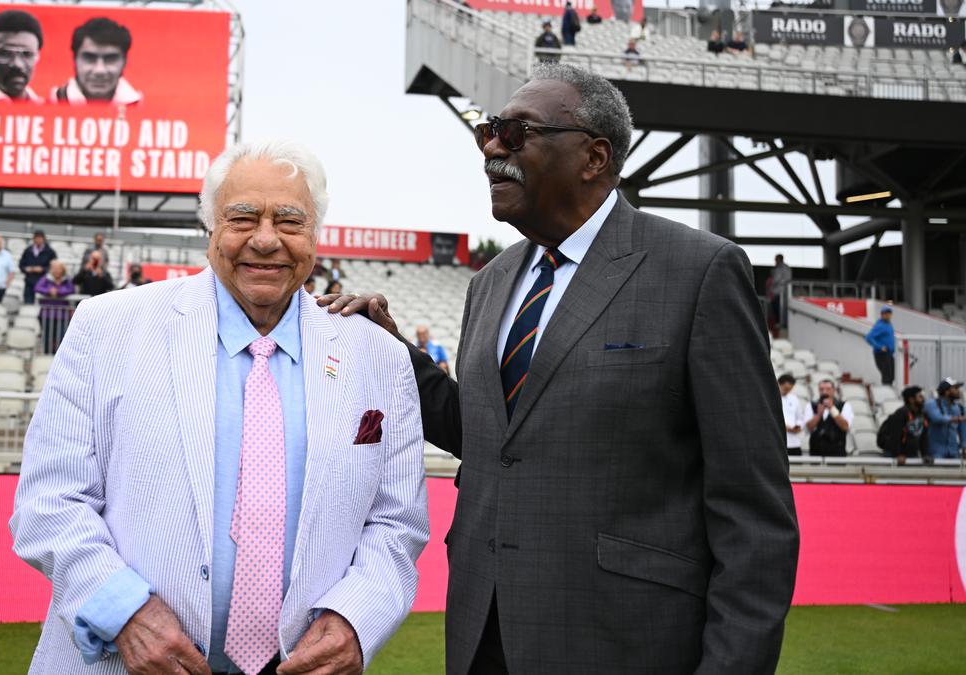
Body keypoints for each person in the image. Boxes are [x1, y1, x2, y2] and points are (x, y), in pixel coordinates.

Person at [323, 64, 798, 673]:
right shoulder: (491, 284)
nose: (493, 146)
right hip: (482, 632)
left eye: (517, 133)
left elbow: (754, 516)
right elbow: (493, 439)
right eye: (489, 132)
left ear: (594, 157)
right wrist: (394, 352)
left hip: (624, 642)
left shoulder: (699, 272)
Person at [11, 140, 429, 675]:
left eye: (289, 221)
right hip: (124, 662)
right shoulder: (108, 327)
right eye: (243, 217)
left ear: (315, 235)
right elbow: (49, 501)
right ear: (210, 227)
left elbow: (396, 522)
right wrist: (123, 612)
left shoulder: (380, 357)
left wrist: (354, 620)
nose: (265, 239)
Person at [52, 17, 143, 105]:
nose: (100, 70)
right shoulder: (51, 101)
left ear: (124, 61)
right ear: (75, 59)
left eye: (110, 59)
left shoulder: (142, 107)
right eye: (89, 58)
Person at [878, 386, 928, 465]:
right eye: (920, 397)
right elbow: (894, 436)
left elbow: (923, 436)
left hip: (911, 454)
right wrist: (898, 454)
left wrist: (925, 454)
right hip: (896, 454)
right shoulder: (900, 414)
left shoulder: (922, 414)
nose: (923, 399)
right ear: (911, 399)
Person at [33, 259, 74, 354]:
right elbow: (37, 288)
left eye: (58, 268)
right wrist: (49, 291)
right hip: (46, 315)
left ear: (62, 270)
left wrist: (58, 292)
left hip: (62, 316)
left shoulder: (67, 280)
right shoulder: (46, 279)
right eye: (54, 268)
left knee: (61, 338)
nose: (56, 271)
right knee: (47, 337)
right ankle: (47, 356)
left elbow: (71, 289)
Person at [806, 379, 853, 457]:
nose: (824, 392)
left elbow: (845, 426)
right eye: (821, 389)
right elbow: (809, 427)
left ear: (834, 390)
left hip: (837, 451)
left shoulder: (844, 405)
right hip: (816, 452)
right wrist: (818, 414)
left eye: (828, 389)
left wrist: (832, 408)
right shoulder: (811, 405)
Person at [924, 378, 966, 459]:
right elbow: (937, 418)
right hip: (936, 453)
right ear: (946, 391)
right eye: (956, 388)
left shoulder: (959, 408)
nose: (959, 391)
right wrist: (957, 419)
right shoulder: (932, 403)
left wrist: (964, 446)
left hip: (953, 452)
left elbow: (963, 429)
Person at [19, 230, 57, 304]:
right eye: (37, 238)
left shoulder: (50, 251)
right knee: (28, 303)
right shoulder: (28, 250)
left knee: (42, 302)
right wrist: (26, 269)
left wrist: (42, 269)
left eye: (40, 238)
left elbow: (54, 267)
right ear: (34, 239)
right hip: (29, 281)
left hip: (44, 282)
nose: (38, 240)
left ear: (44, 239)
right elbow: (21, 265)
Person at [865, 305, 896, 385]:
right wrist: (879, 347)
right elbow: (869, 337)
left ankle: (889, 391)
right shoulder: (880, 325)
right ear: (882, 314)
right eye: (886, 313)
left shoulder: (888, 324)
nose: (888, 315)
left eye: (889, 313)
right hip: (882, 354)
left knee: (891, 376)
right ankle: (886, 393)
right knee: (887, 377)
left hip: (889, 354)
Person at [779, 373, 805, 456]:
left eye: (790, 389)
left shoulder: (794, 399)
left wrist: (798, 426)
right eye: (785, 388)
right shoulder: (771, 398)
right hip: (779, 441)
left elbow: (800, 418)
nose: (787, 391)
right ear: (779, 384)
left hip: (794, 442)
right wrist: (784, 426)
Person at [768, 253, 792, 334]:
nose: (775, 261)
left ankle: (781, 322)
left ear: (780, 259)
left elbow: (786, 279)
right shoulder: (777, 268)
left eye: (776, 259)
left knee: (780, 307)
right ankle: (778, 322)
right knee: (775, 306)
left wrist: (777, 283)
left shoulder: (785, 268)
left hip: (781, 291)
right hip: (776, 291)